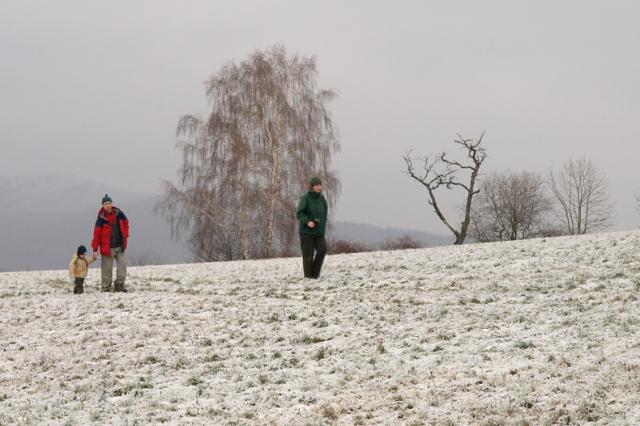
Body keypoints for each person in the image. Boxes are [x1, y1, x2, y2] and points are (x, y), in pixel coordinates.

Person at [91, 194, 130, 292]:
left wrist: (125, 234)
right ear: (102, 205)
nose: (107, 205)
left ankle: (119, 285)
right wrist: (95, 249)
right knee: (106, 270)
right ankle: (105, 288)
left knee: (122, 267)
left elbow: (126, 222)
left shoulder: (119, 213)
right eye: (105, 204)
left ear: (112, 204)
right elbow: (96, 235)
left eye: (109, 203)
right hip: (107, 248)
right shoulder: (100, 218)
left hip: (120, 246)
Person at [296, 177, 328, 279]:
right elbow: (299, 213)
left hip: (319, 232)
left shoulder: (322, 199)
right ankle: (308, 277)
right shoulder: (305, 198)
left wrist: (322, 225)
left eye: (320, 185)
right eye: (316, 185)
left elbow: (324, 214)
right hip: (306, 232)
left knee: (322, 250)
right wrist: (308, 221)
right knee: (308, 256)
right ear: (312, 186)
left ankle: (315, 274)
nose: (319, 187)